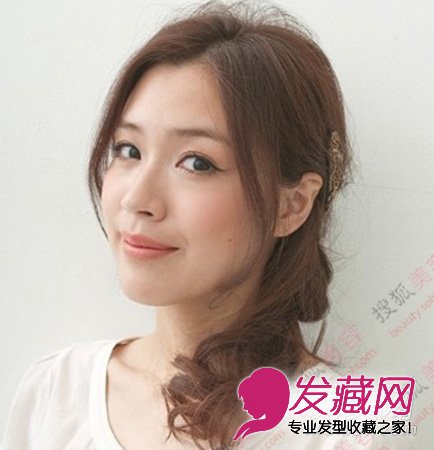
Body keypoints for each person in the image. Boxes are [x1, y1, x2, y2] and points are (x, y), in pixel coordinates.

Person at [0, 1, 417, 449]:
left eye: (197, 162)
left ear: (292, 205)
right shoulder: (57, 393)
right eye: (128, 150)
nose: (137, 200)